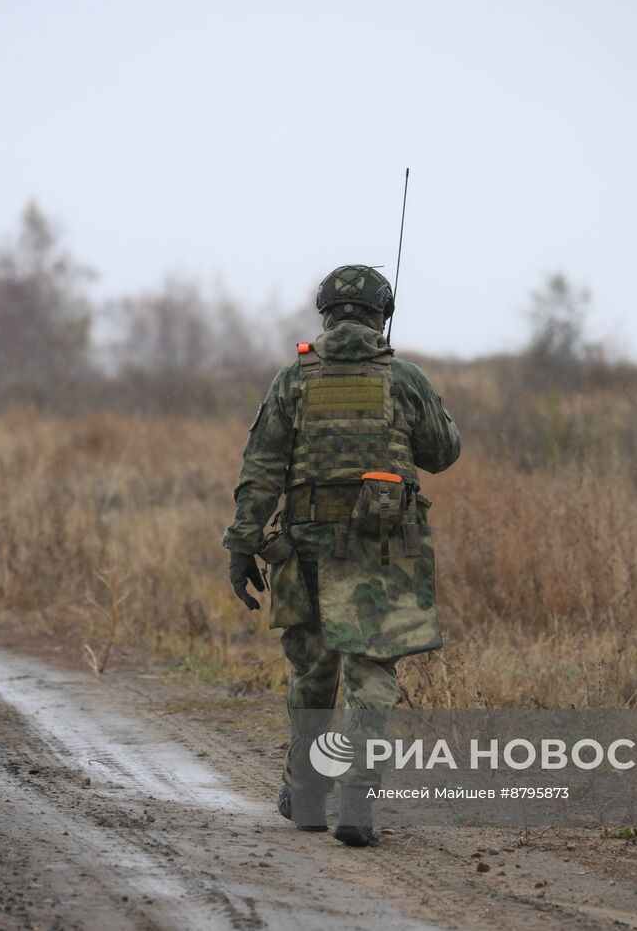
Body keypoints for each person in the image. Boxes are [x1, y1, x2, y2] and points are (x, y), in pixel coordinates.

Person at [222, 264, 461, 847]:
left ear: (325, 316)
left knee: (314, 670)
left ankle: (305, 798)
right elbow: (442, 452)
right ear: (382, 316)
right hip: (381, 546)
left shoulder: (292, 379)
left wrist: (242, 543)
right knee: (370, 671)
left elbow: (261, 469)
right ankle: (358, 800)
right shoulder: (405, 379)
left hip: (303, 542)